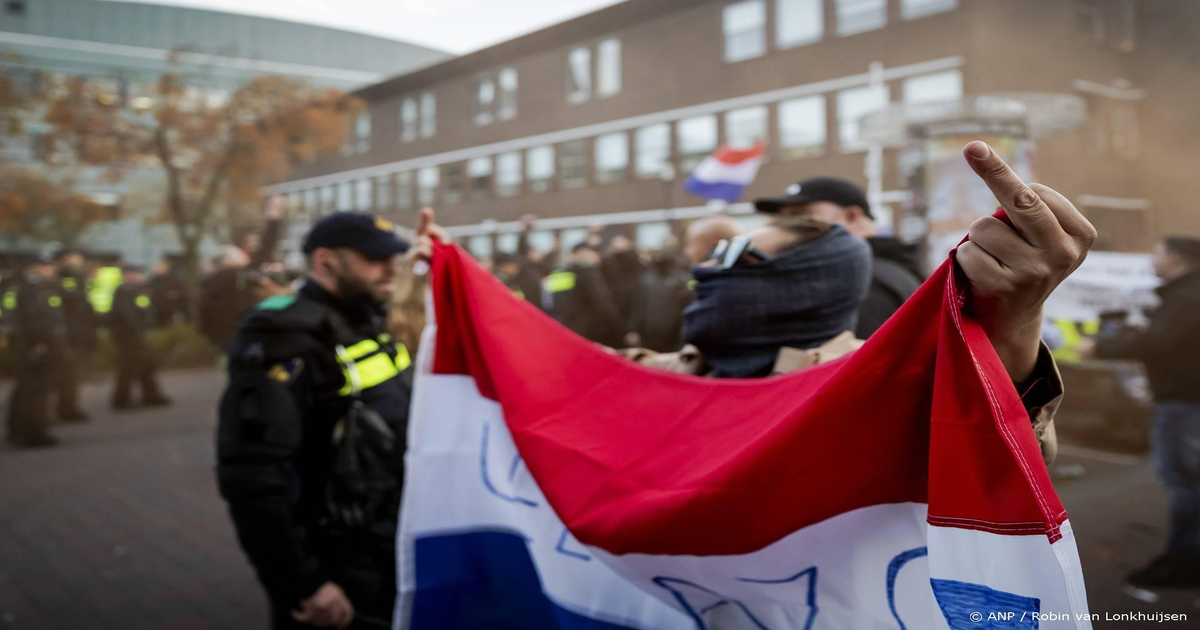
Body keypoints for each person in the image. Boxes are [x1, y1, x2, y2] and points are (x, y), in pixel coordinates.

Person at [217, 210, 445, 630]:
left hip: (383, 546)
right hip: (336, 564)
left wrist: (441, 263)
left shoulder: (366, 320)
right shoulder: (284, 338)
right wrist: (303, 583)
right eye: (374, 259)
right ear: (326, 261)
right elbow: (253, 475)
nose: (387, 269)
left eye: (392, 259)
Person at [1092, 235, 1200, 587]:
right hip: (1184, 400)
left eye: (1158, 253)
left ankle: (1184, 560)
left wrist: (1101, 347)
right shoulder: (1184, 296)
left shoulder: (1186, 297)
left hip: (1182, 402)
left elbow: (1160, 343)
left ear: (1177, 260)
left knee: (1183, 480)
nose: (1153, 261)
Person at [754, 177, 925, 338]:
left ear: (852, 216)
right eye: (783, 219)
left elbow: (864, 364)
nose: (787, 228)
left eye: (802, 215)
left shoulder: (860, 278)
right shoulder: (888, 270)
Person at [6, 256, 67, 448]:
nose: (52, 271)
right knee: (36, 391)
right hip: (36, 345)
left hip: (30, 344)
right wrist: (41, 345)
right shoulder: (33, 290)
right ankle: (33, 433)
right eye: (47, 267)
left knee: (25, 389)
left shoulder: (24, 287)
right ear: (36, 269)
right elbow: (36, 321)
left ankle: (17, 429)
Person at [110, 265, 171, 410]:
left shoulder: (139, 290)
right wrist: (139, 330)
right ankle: (121, 399)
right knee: (128, 368)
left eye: (138, 273)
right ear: (126, 275)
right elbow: (126, 315)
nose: (136, 276)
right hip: (128, 336)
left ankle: (151, 395)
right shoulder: (122, 291)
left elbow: (147, 309)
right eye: (133, 273)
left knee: (147, 366)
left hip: (141, 335)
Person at [543, 243, 624, 348]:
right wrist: (618, 328)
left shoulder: (556, 273)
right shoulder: (586, 271)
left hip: (562, 329)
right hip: (589, 330)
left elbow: (549, 303)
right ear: (584, 253)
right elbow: (602, 301)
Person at [55, 250, 96, 422]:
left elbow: (84, 304)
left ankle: (68, 408)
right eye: (74, 258)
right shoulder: (63, 278)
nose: (78, 261)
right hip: (66, 334)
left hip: (79, 332)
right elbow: (72, 300)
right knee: (62, 374)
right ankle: (63, 410)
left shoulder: (80, 278)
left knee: (72, 374)